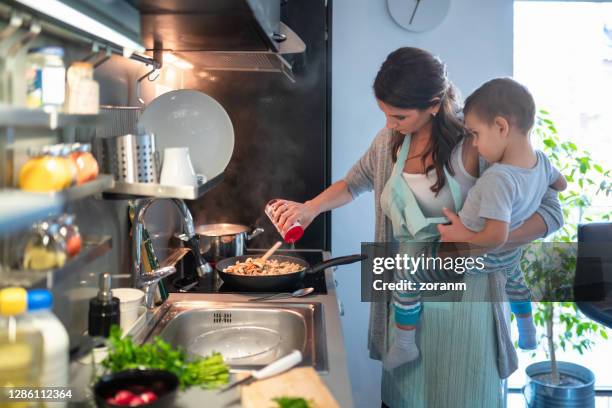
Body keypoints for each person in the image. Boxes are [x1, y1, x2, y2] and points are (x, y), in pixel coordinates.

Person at [269, 47, 563, 408]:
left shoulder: (479, 142)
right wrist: (310, 208)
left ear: (434, 104)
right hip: (408, 298)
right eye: (385, 114)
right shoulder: (388, 142)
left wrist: (485, 240)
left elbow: (550, 210)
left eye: (399, 115)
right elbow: (354, 182)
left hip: (468, 308)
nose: (390, 123)